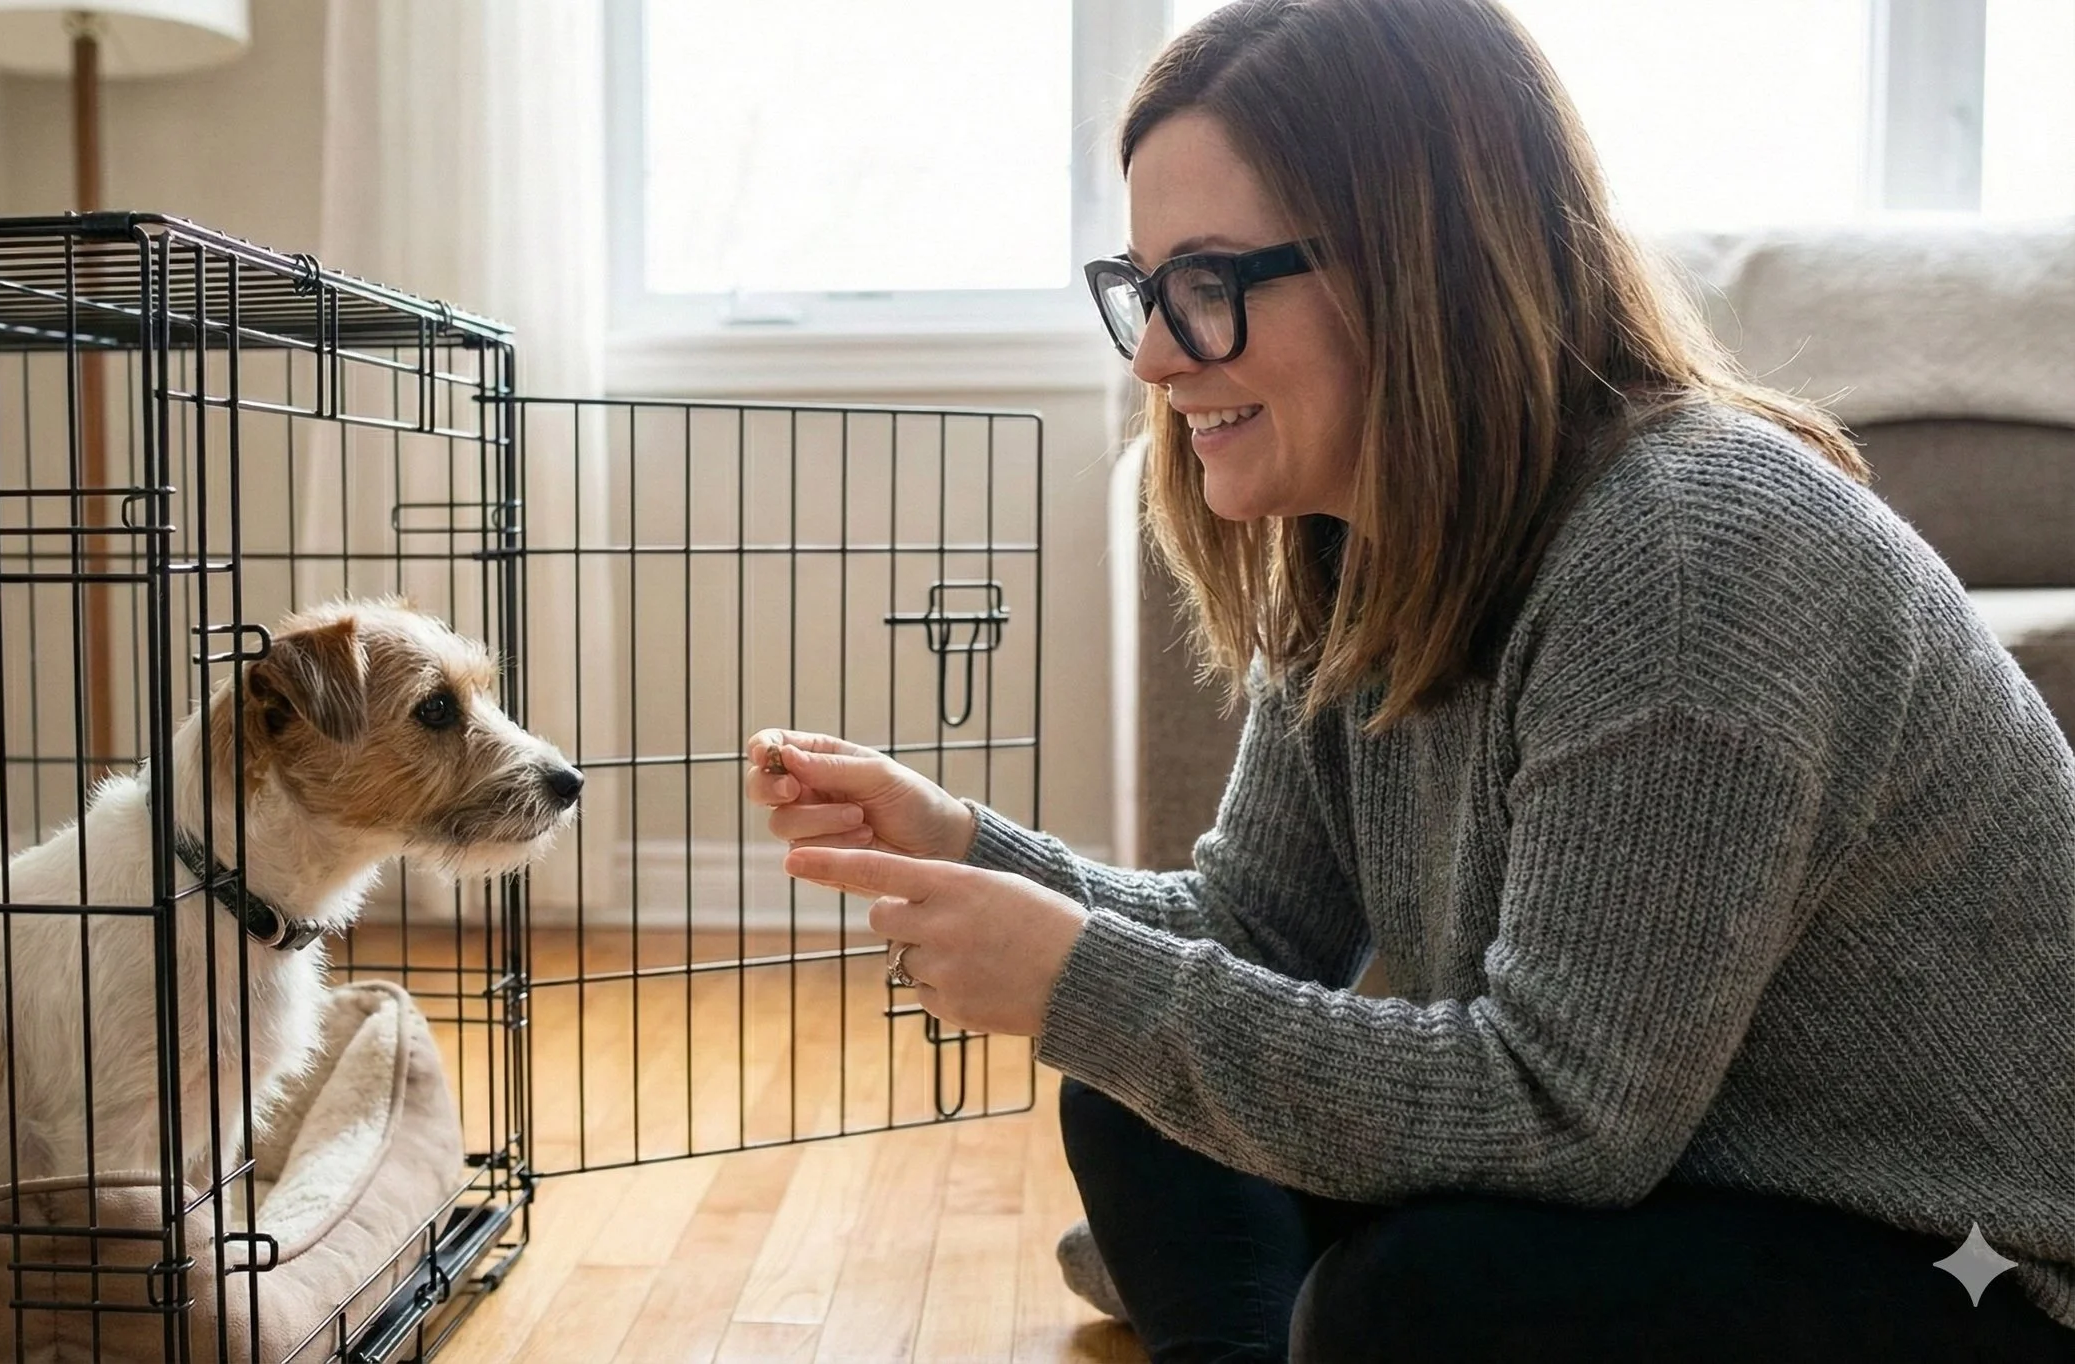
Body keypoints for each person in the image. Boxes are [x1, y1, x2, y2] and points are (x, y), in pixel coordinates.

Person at [740, 1, 2075, 1360]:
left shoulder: (1686, 554)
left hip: (1985, 1266)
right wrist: (968, 852)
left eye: (1208, 284)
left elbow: (1563, 1117)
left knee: (1406, 1295)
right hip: (1694, 1186)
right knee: (1136, 1092)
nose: (1152, 354)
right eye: (1143, 288)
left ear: (1421, 266)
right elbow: (1248, 928)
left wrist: (1088, 984)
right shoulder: (1363, 546)